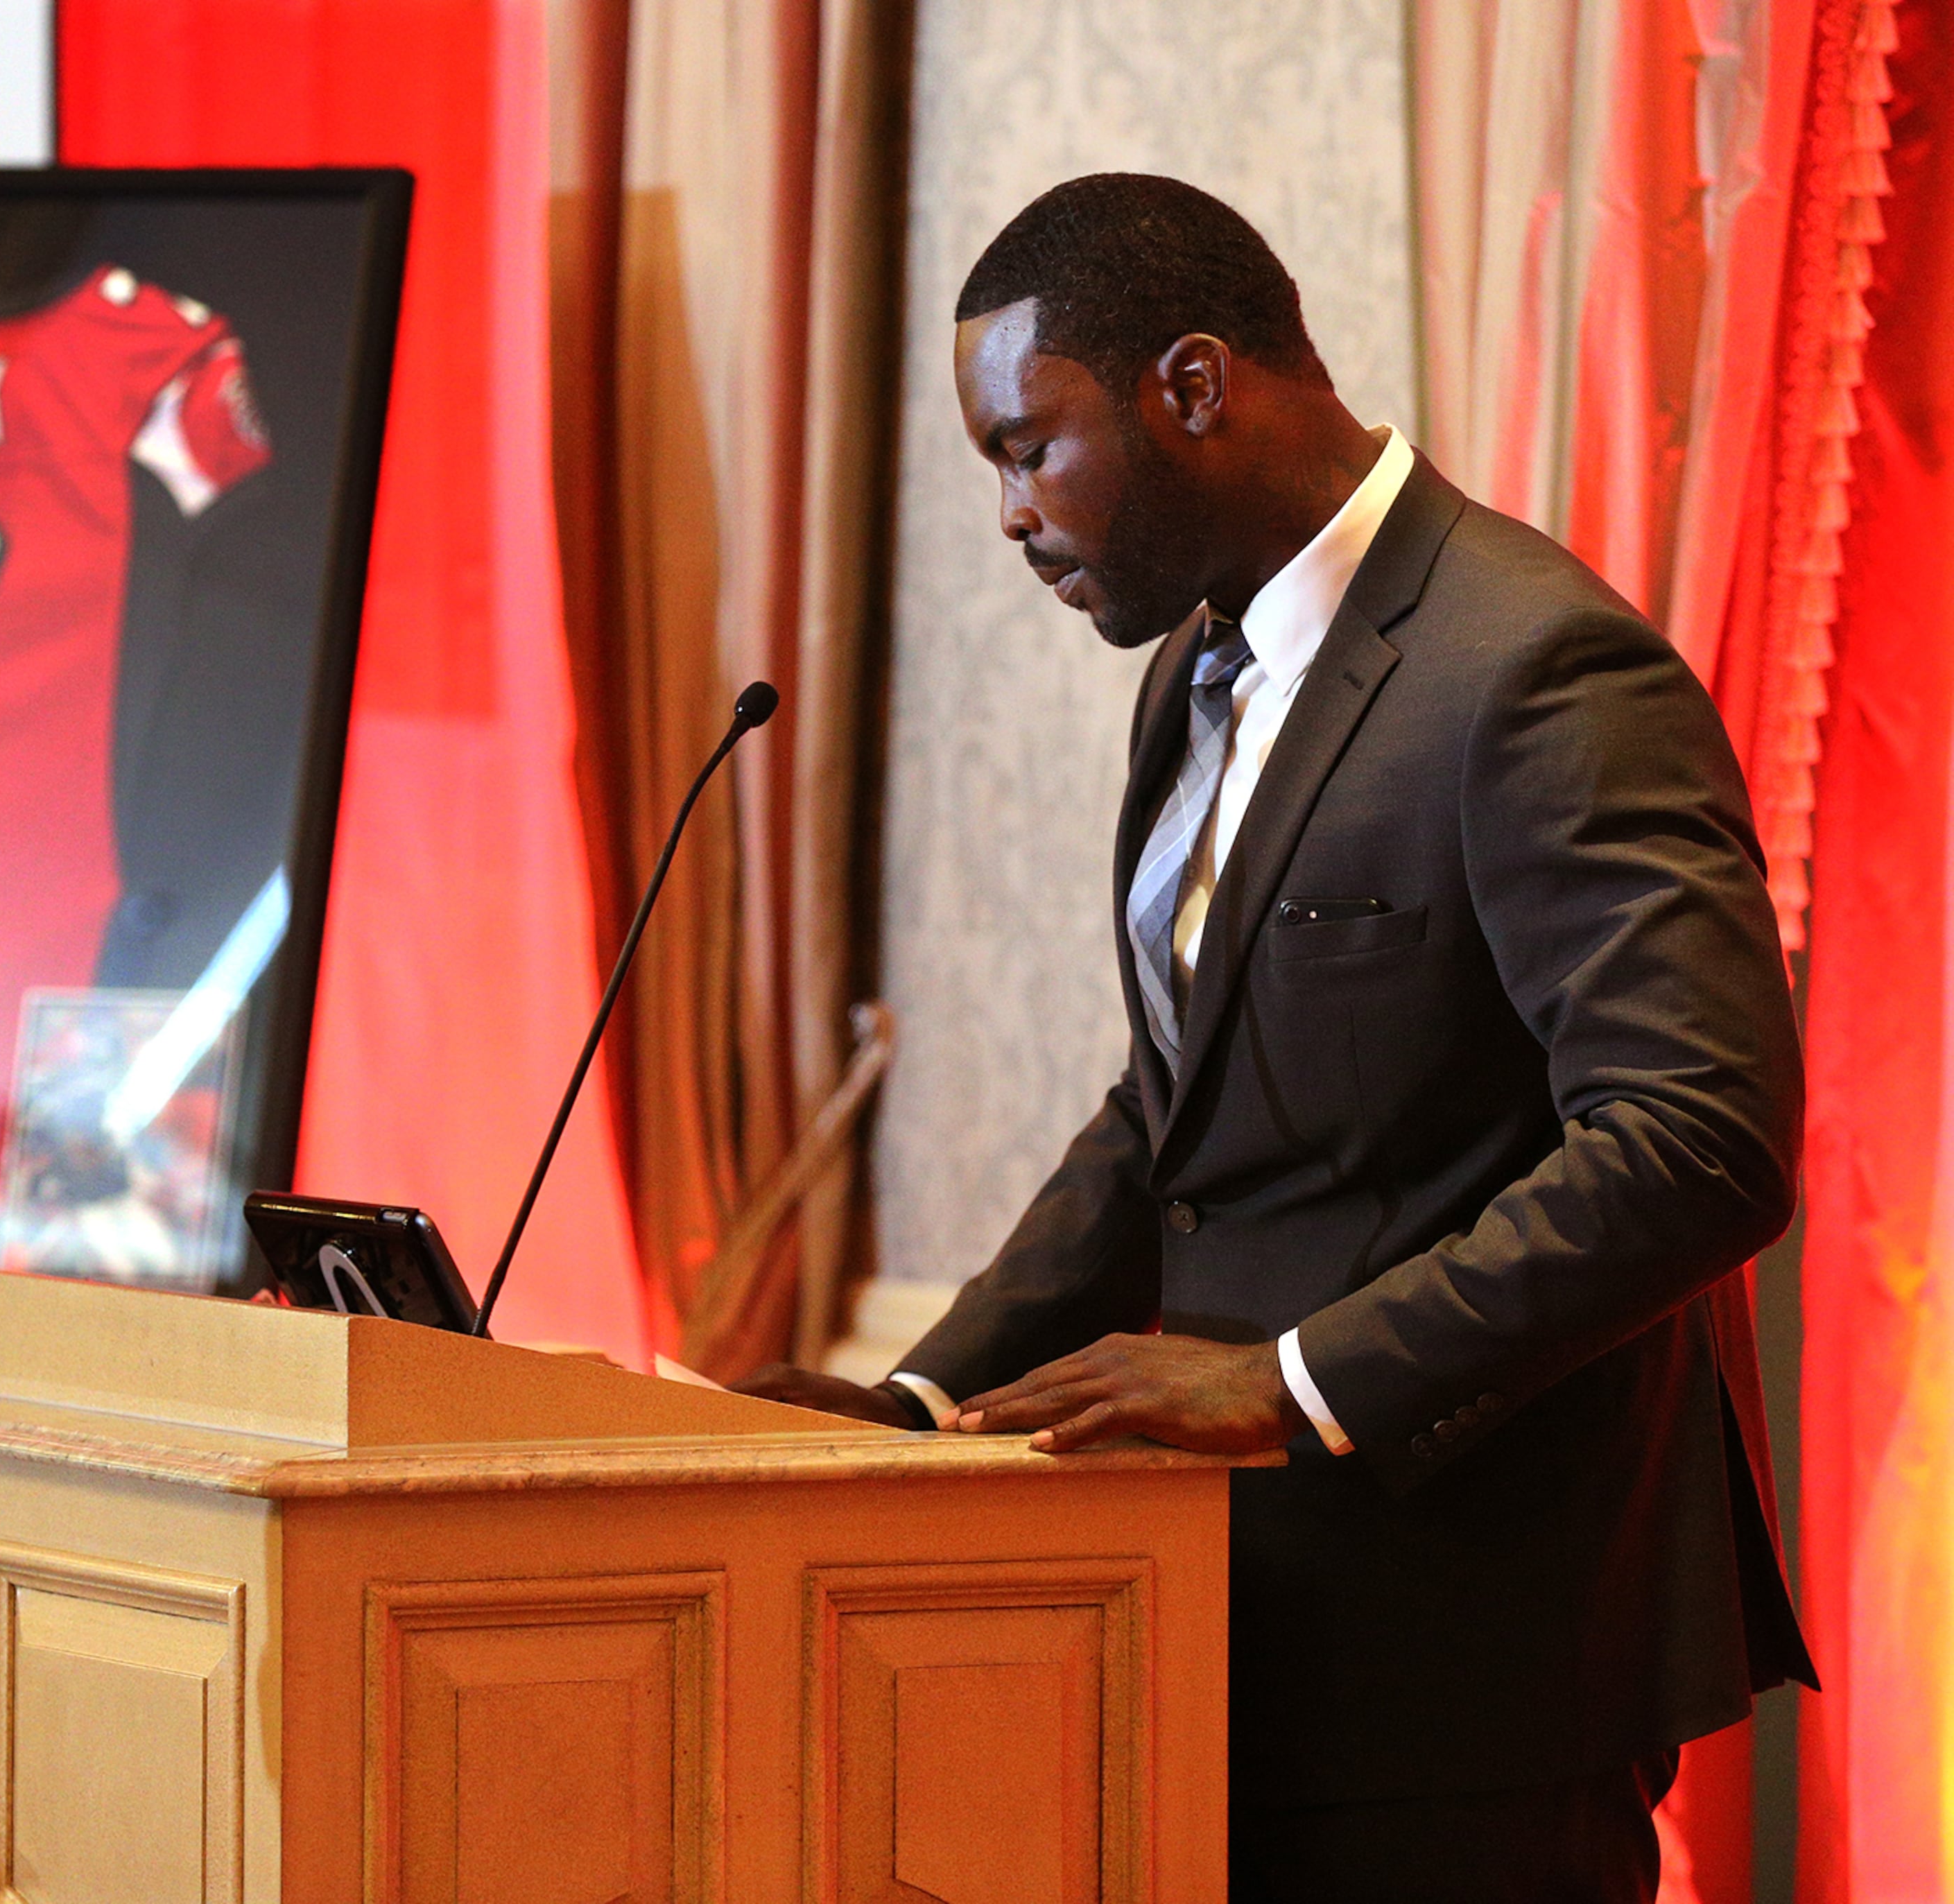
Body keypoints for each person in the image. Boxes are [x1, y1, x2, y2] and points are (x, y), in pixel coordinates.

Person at [739, 173, 1814, 1903]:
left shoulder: (1535, 665)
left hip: (1479, 1661)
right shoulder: (1196, 670)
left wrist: (1289, 1379)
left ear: (1191, 385)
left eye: (1027, 448)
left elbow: (1699, 1141)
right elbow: (1173, 1108)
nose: (1010, 514)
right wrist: (917, 1404)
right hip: (1236, 1620)